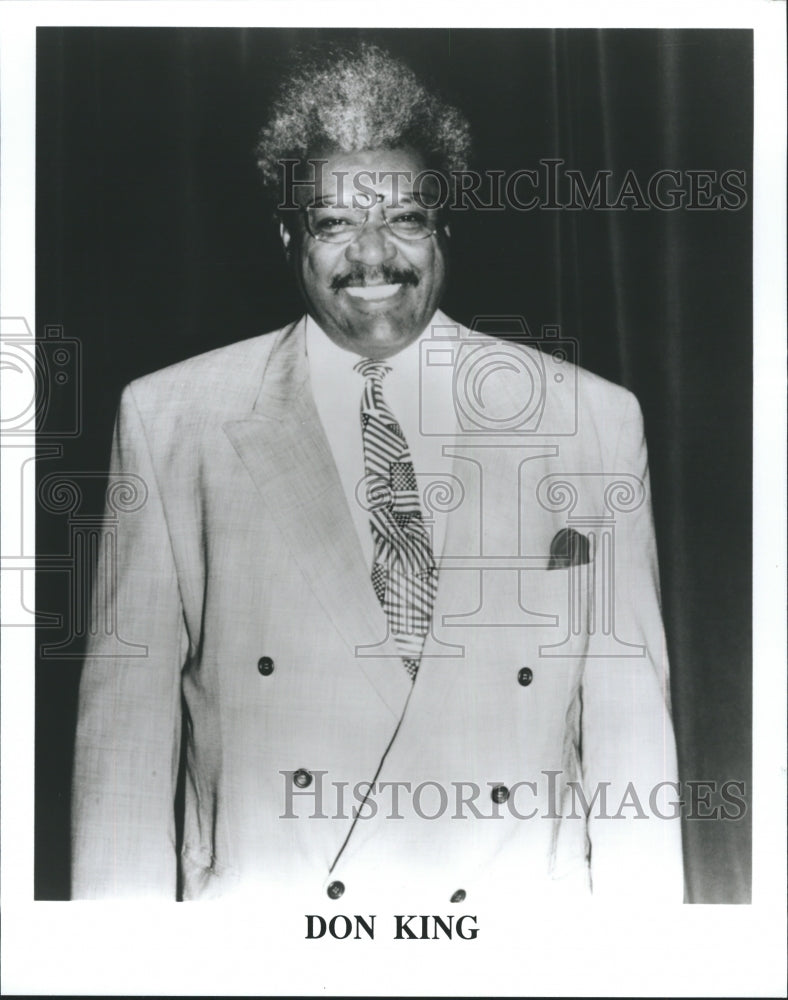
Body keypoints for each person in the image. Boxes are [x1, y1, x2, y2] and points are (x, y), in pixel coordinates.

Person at [71, 41, 683, 906]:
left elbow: (630, 730)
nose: (372, 256)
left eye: (404, 218)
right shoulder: (173, 419)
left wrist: (649, 963)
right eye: (332, 222)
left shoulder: (588, 420)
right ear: (289, 233)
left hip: (514, 931)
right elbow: (124, 746)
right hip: (275, 929)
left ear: (445, 228)